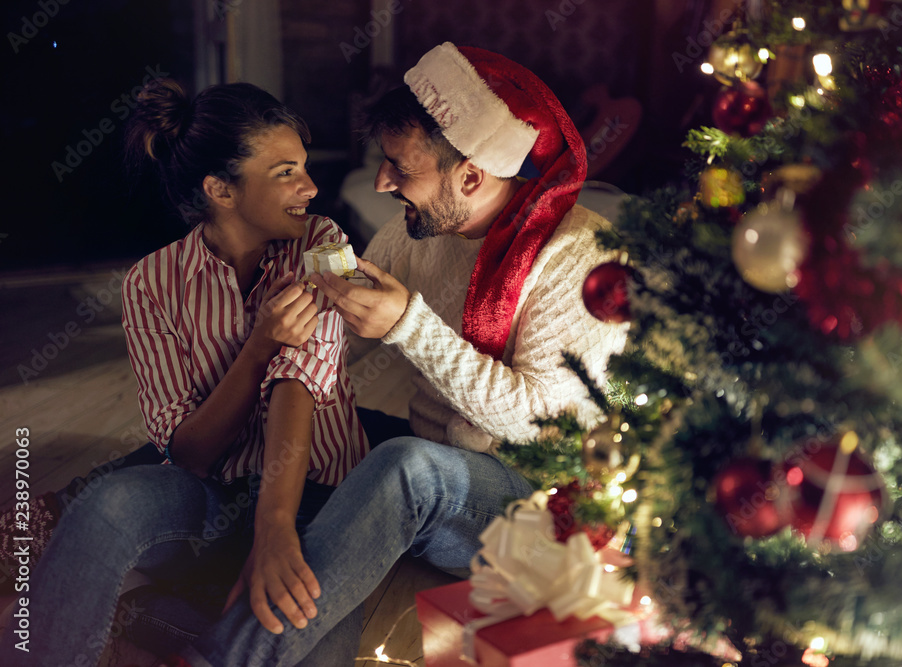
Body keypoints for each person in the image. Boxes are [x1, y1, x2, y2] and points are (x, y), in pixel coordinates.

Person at [169, 42, 630, 666]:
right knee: (324, 437)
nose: (383, 183)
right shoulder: (424, 228)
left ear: (470, 175)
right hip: (452, 456)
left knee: (405, 467)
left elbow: (538, 426)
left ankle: (221, 659)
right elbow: (342, 312)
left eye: (399, 168)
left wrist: (409, 326)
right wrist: (298, 300)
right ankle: (253, 555)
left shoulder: (578, 259)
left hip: (542, 506)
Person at [0, 80, 369, 666]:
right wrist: (256, 347)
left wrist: (275, 528)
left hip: (316, 499)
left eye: (303, 167)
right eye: (285, 172)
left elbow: (300, 379)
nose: (310, 186)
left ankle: (153, 614)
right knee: (106, 504)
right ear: (220, 189)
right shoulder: (151, 284)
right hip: (211, 495)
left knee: (312, 643)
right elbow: (188, 453)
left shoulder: (324, 241)